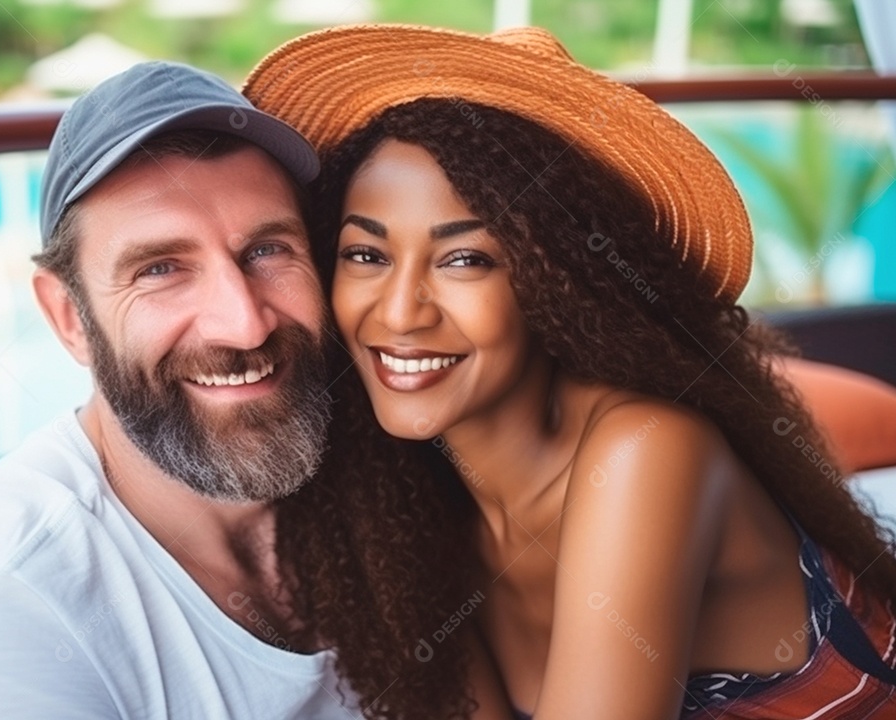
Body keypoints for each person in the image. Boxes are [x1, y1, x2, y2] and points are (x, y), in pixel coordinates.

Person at [245, 25, 896, 720]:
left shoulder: (645, 451)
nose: (400, 313)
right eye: (366, 256)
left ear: (556, 285)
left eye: (467, 260)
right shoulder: (417, 509)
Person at [0, 61, 364, 719]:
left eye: (267, 250)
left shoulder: (376, 473)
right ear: (71, 318)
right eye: (161, 269)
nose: (244, 321)